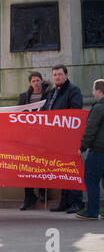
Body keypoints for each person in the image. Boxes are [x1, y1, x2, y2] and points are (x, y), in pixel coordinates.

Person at [41, 64, 84, 213]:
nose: (57, 77)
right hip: (55, 139)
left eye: (60, 74)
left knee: (71, 169)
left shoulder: (74, 90)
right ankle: (64, 202)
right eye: (55, 75)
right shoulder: (52, 92)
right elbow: (44, 110)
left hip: (68, 138)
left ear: (66, 75)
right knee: (61, 170)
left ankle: (77, 202)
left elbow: (75, 111)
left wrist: (57, 120)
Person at [18, 71, 51, 210]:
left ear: (42, 81)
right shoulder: (24, 97)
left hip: (43, 136)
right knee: (27, 166)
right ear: (30, 83)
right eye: (33, 81)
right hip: (28, 136)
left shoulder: (49, 95)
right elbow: (18, 112)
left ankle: (43, 192)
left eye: (38, 80)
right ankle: (29, 196)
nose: (36, 83)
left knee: (42, 164)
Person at [75, 79, 104, 220]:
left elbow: (91, 130)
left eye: (93, 90)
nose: (92, 93)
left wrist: (82, 147)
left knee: (91, 180)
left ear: (99, 90)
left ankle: (92, 212)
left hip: (98, 150)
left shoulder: (99, 107)